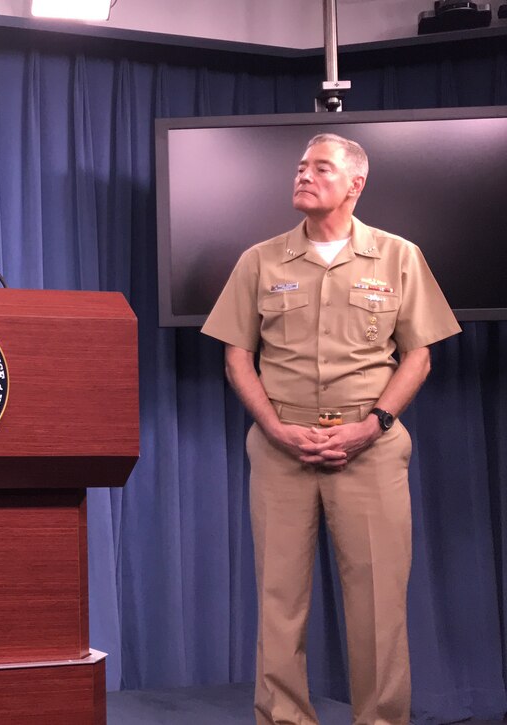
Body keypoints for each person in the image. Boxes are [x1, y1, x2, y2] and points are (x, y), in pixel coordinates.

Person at [201, 133, 460, 725]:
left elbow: (418, 356)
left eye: (321, 168)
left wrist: (373, 425)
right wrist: (275, 428)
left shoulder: (398, 256)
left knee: (378, 605)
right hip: (280, 448)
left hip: (370, 448)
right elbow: (237, 357)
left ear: (355, 184)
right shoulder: (259, 260)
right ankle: (284, 718)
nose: (304, 175)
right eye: (301, 167)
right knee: (279, 601)